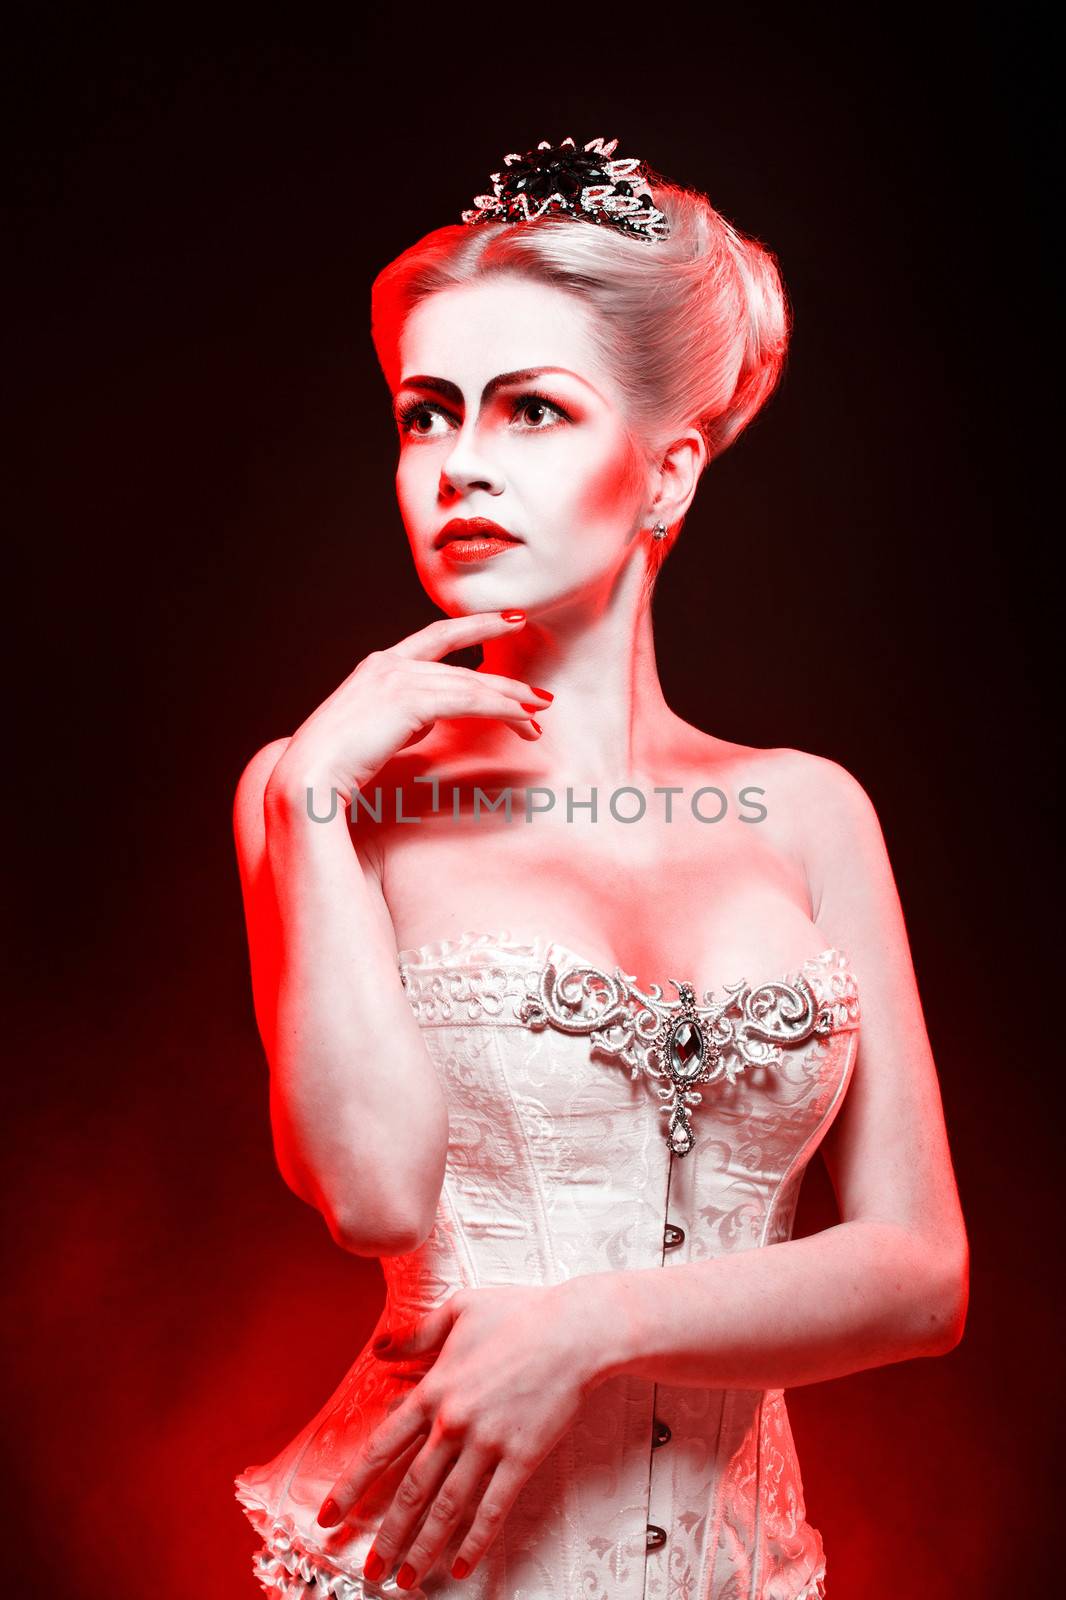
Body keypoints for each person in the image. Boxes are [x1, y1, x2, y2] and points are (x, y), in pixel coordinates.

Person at [231, 136, 969, 1599]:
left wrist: (579, 1326)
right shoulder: (324, 794)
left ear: (667, 468)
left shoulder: (809, 811)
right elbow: (373, 1197)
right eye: (424, 415)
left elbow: (919, 1274)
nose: (463, 466)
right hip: (419, 1567)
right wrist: (313, 801)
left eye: (531, 411)